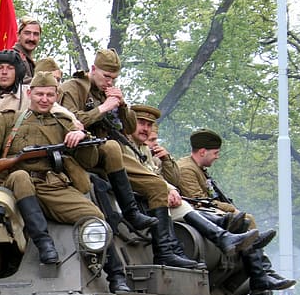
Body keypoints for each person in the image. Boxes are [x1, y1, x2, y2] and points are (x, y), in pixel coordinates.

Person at [0, 71, 131, 293]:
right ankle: (45, 245)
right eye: (39, 94)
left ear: (56, 96)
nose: (44, 99)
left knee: (94, 216)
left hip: (52, 185)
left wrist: (81, 137)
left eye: (49, 94)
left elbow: (90, 161)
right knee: (20, 176)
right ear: (30, 93)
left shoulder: (64, 123)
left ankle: (116, 275)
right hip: (14, 186)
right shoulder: (9, 120)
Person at [59, 49, 200, 269]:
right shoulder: (74, 88)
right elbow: (68, 121)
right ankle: (131, 212)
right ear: (93, 69)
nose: (109, 82)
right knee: (113, 149)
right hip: (86, 153)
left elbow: (129, 128)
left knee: (156, 186)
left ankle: (165, 252)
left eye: (114, 78)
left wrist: (121, 104)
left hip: (111, 151)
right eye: (106, 76)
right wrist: (104, 107)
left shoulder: (106, 93)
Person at [176, 129, 295, 295]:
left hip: (206, 211)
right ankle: (262, 273)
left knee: (246, 222)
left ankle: (263, 273)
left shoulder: (197, 168)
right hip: (198, 213)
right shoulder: (186, 169)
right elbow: (197, 200)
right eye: (215, 153)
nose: (217, 156)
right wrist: (231, 209)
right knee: (244, 221)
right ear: (202, 152)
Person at [128, 107, 259, 257]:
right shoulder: (186, 168)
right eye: (142, 123)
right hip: (149, 202)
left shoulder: (145, 151)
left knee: (242, 219)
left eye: (149, 125)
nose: (146, 130)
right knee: (240, 218)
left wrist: (167, 161)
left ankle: (257, 264)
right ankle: (225, 235)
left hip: (160, 199)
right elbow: (196, 198)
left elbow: (167, 180)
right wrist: (228, 208)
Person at [13, 16, 42, 83]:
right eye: (27, 33)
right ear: (18, 35)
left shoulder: (29, 61)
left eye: (36, 34)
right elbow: (25, 82)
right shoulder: (13, 57)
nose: (31, 38)